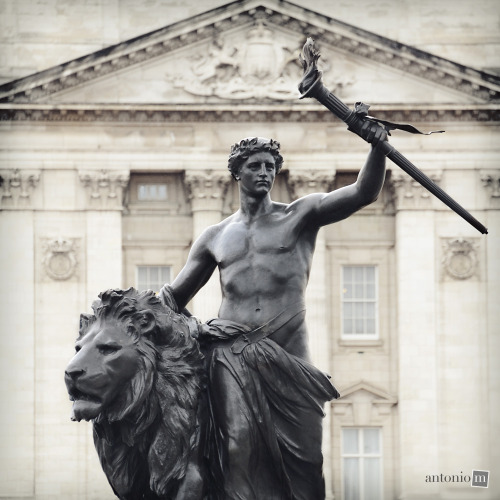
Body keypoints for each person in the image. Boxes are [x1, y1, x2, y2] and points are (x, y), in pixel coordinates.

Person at [160, 121, 388, 500]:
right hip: (231, 356)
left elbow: (364, 192)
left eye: (271, 165)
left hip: (289, 354)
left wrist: (376, 147)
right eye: (256, 165)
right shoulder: (215, 237)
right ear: (237, 171)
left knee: (307, 460)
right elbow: (173, 298)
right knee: (237, 448)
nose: (265, 172)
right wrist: (147, 316)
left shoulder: (300, 215)